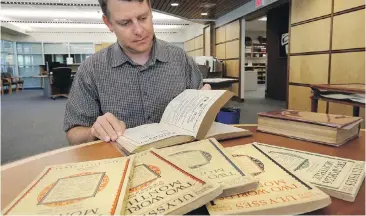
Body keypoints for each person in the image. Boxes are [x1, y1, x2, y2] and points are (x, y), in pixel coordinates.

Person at [64, 0, 210, 145]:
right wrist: (94, 132)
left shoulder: (181, 59)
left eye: (143, 18)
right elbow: (73, 134)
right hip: (120, 162)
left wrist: (206, 105)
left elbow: (202, 121)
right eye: (125, 23)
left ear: (151, 12)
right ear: (108, 23)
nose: (139, 30)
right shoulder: (91, 69)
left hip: (178, 157)